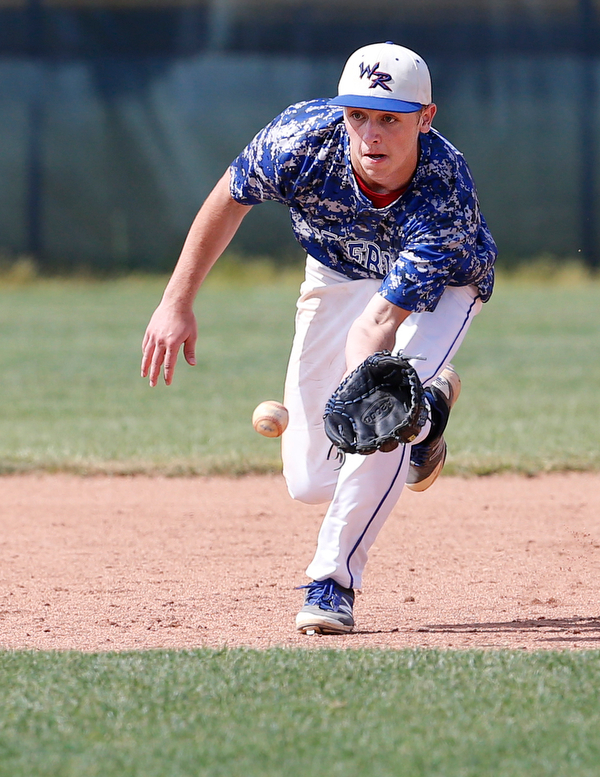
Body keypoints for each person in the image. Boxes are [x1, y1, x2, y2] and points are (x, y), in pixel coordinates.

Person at [141, 41, 497, 635]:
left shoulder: (443, 193)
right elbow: (229, 198)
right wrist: (176, 302)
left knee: (379, 420)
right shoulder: (301, 141)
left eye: (390, 118)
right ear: (341, 112)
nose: (371, 134)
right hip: (335, 274)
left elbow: (380, 323)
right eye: (359, 115)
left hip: (443, 288)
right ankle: (429, 414)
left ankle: (332, 582)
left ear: (425, 119)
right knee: (309, 481)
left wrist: (371, 388)